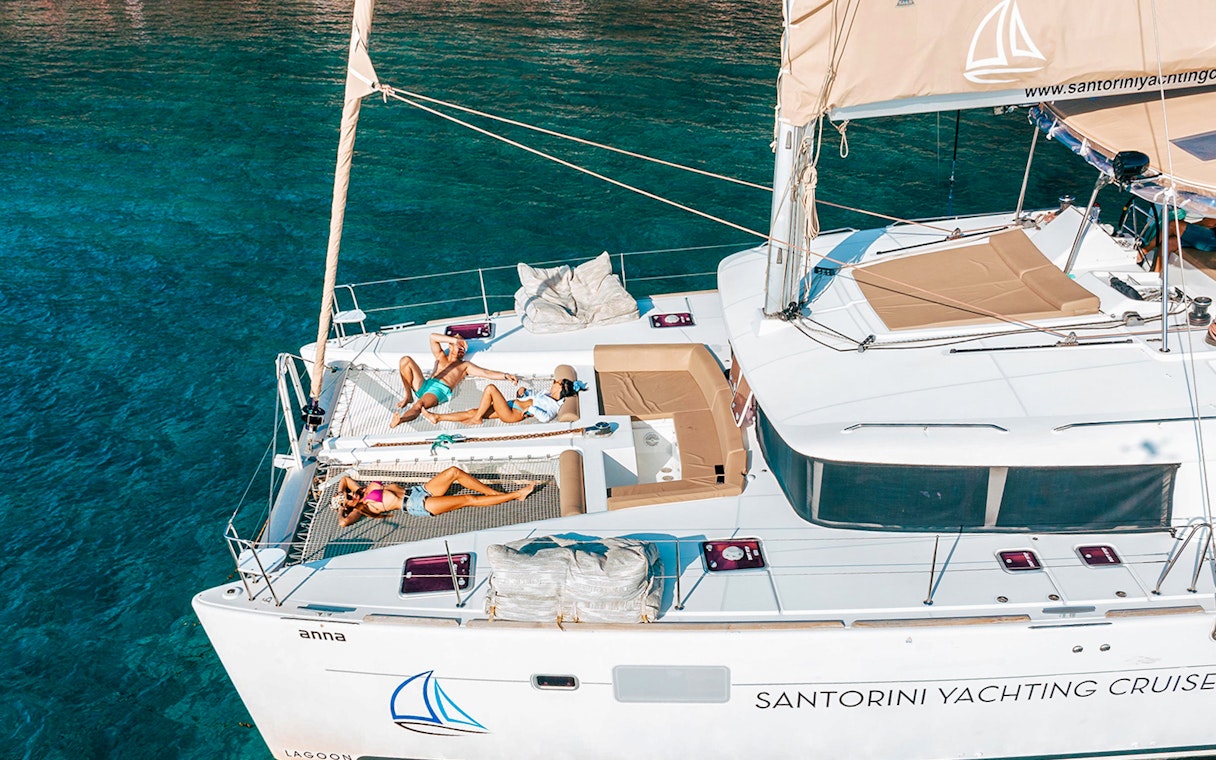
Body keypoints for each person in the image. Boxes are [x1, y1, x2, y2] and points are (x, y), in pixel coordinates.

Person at [391, 333, 518, 427]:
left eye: (463, 348)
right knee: (405, 360)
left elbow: (486, 373)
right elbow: (432, 337)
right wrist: (455, 340)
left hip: (439, 391)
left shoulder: (464, 366)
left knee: (419, 405)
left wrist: (505, 375)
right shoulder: (440, 356)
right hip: (425, 384)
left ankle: (401, 420)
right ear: (450, 346)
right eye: (459, 346)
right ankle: (408, 395)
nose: (462, 349)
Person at [334, 469, 538, 526]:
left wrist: (341, 494)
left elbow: (344, 479)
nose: (350, 494)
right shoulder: (364, 509)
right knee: (468, 499)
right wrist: (341, 509)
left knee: (454, 472)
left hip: (418, 490)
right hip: (417, 504)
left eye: (348, 493)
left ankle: (495, 495)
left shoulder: (360, 491)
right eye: (348, 498)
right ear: (350, 506)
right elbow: (343, 523)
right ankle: (516, 495)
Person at [421, 378, 584, 426]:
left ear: (560, 387)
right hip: (512, 404)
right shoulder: (546, 393)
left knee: (491, 388)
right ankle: (437, 417)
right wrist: (524, 392)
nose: (554, 380)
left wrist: (532, 408)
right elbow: (531, 395)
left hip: (512, 413)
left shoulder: (555, 406)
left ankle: (477, 419)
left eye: (557, 381)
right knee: (472, 411)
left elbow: (545, 418)